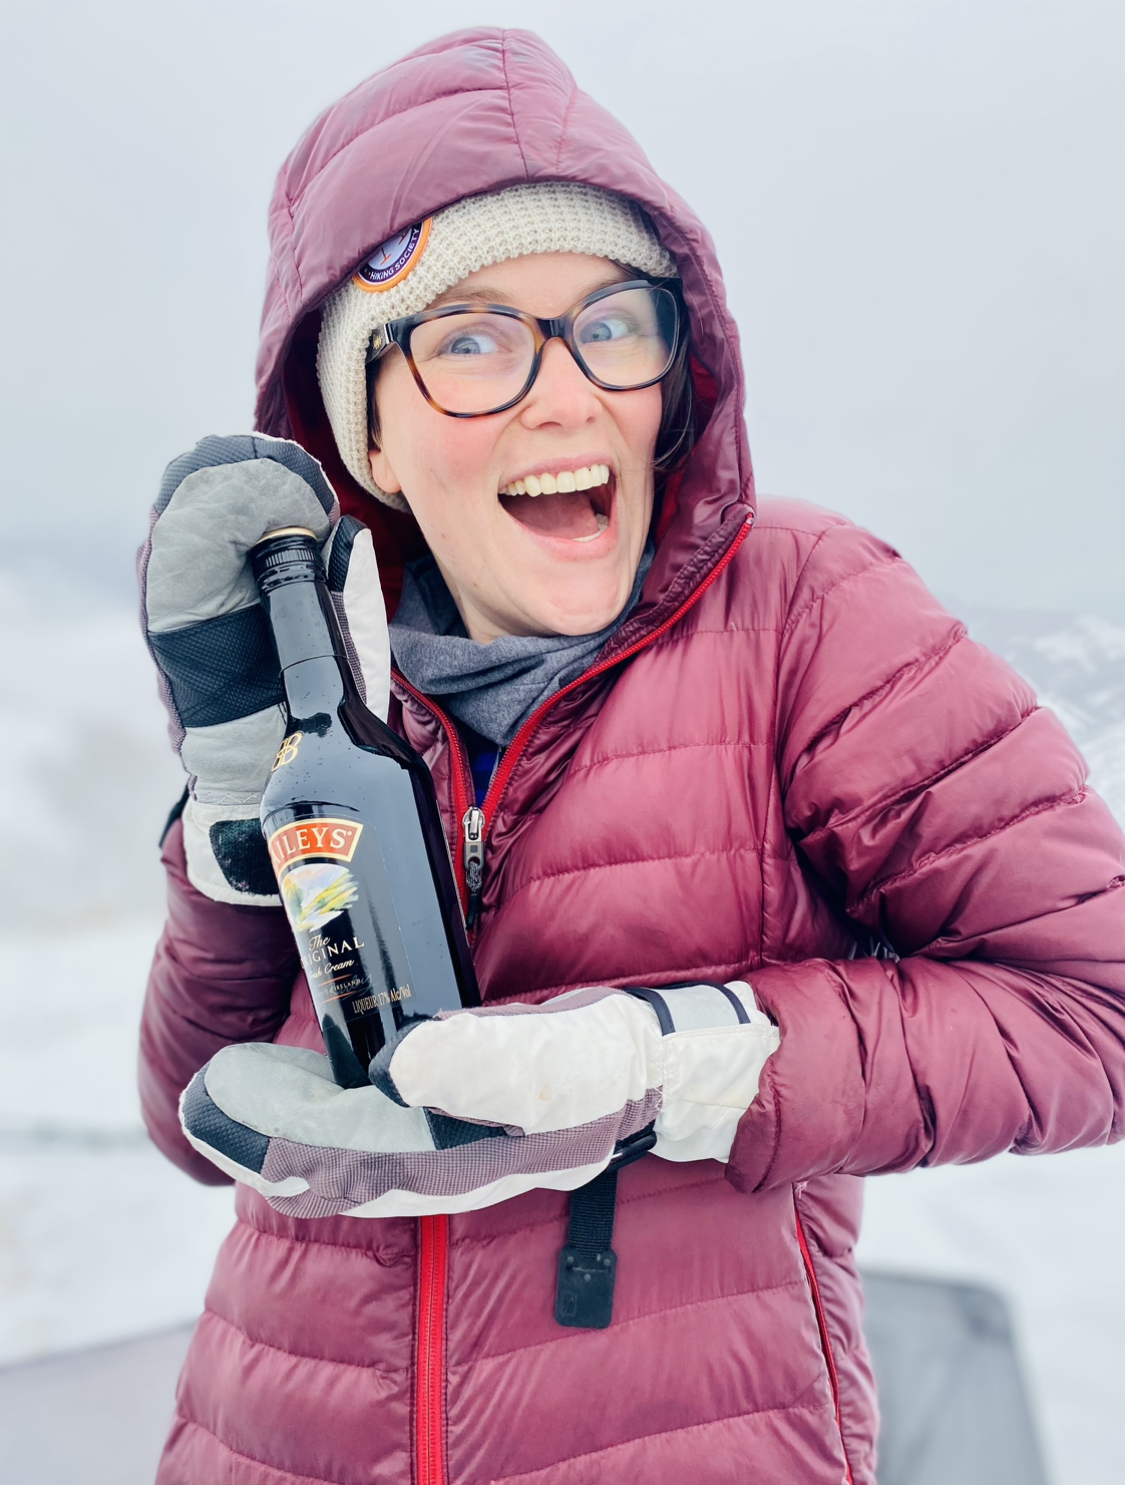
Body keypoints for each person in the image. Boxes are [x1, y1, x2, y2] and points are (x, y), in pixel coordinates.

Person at [137, 27, 1125, 1485]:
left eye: (610, 319)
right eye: (470, 338)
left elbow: (1095, 1005)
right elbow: (189, 1118)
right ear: (372, 439)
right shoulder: (320, 682)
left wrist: (691, 1064)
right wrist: (231, 820)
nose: (563, 391)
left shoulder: (803, 608)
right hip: (267, 1442)